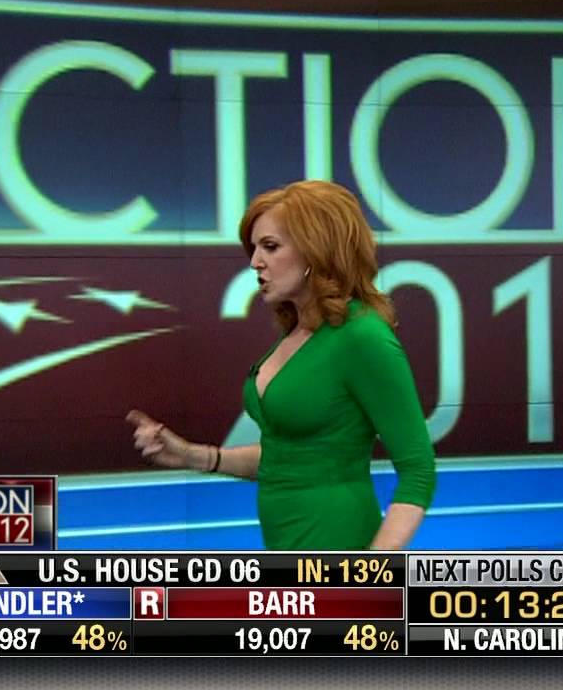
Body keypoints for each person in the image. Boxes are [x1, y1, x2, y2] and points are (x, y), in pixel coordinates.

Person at [127, 180, 436, 550]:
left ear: (316, 249)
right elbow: (286, 459)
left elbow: (418, 472)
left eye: (270, 247)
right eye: (254, 248)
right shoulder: (299, 333)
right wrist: (195, 456)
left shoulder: (361, 336)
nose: (255, 262)